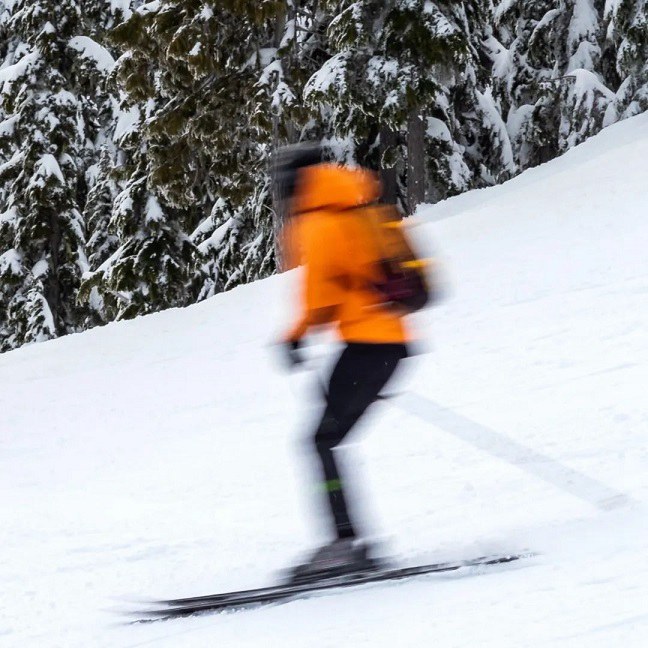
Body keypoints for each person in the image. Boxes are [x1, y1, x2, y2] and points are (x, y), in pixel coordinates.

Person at [274, 144, 412, 582]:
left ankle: (345, 544)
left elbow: (322, 297)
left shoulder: (321, 221)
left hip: (369, 348)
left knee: (322, 442)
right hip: (386, 346)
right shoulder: (359, 206)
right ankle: (347, 542)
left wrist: (295, 337)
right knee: (326, 440)